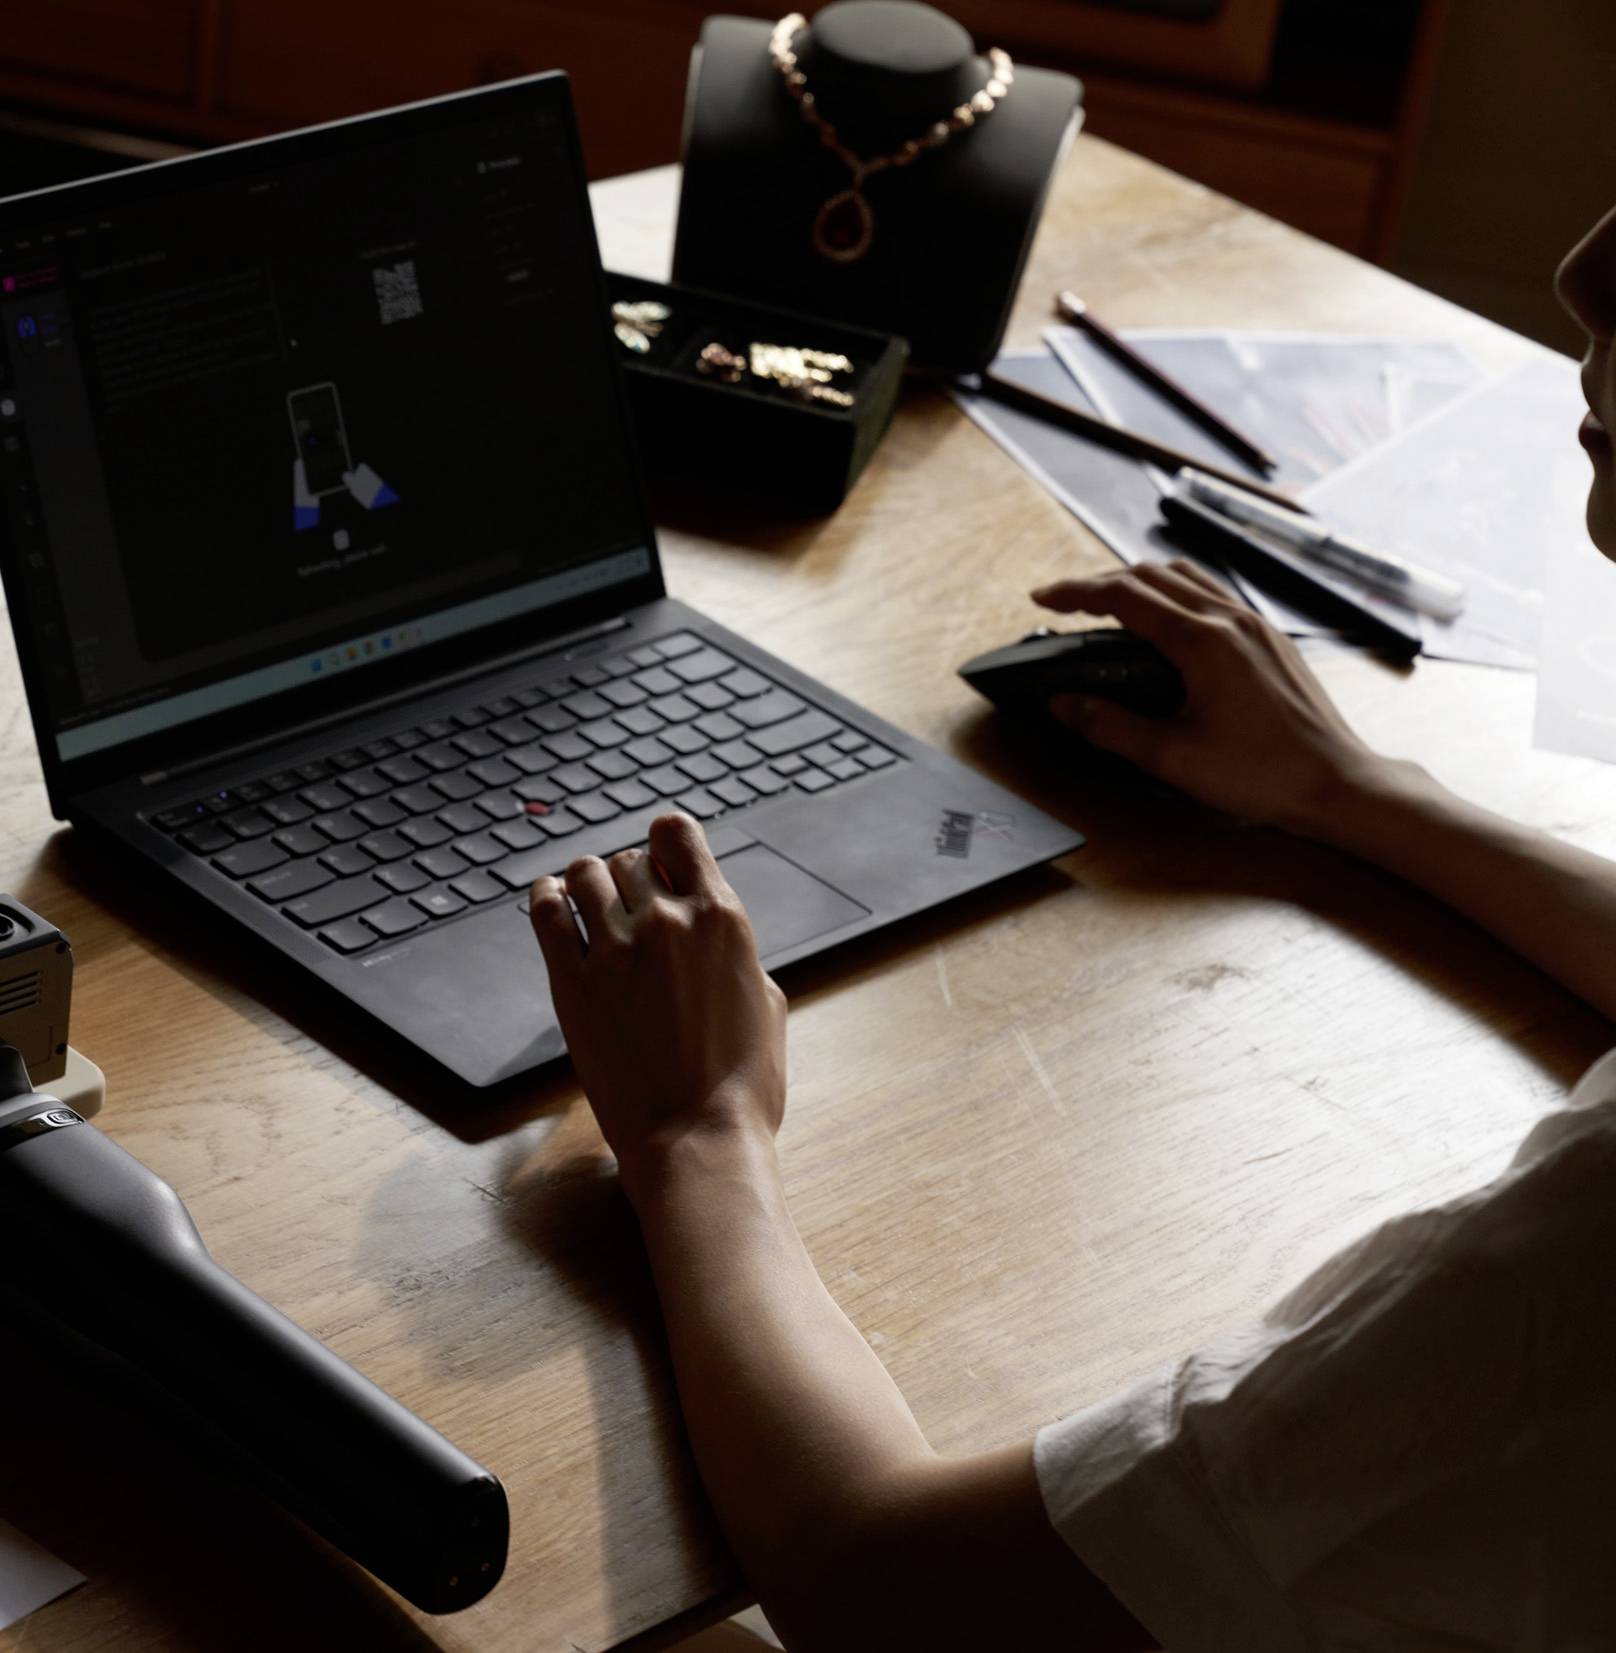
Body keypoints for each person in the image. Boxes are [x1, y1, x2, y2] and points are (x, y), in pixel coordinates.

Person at [525, 202, 1616, 1650]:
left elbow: (883, 1589)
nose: (1583, 262)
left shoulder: (1564, 1283)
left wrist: (698, 1137)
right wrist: (1356, 790)